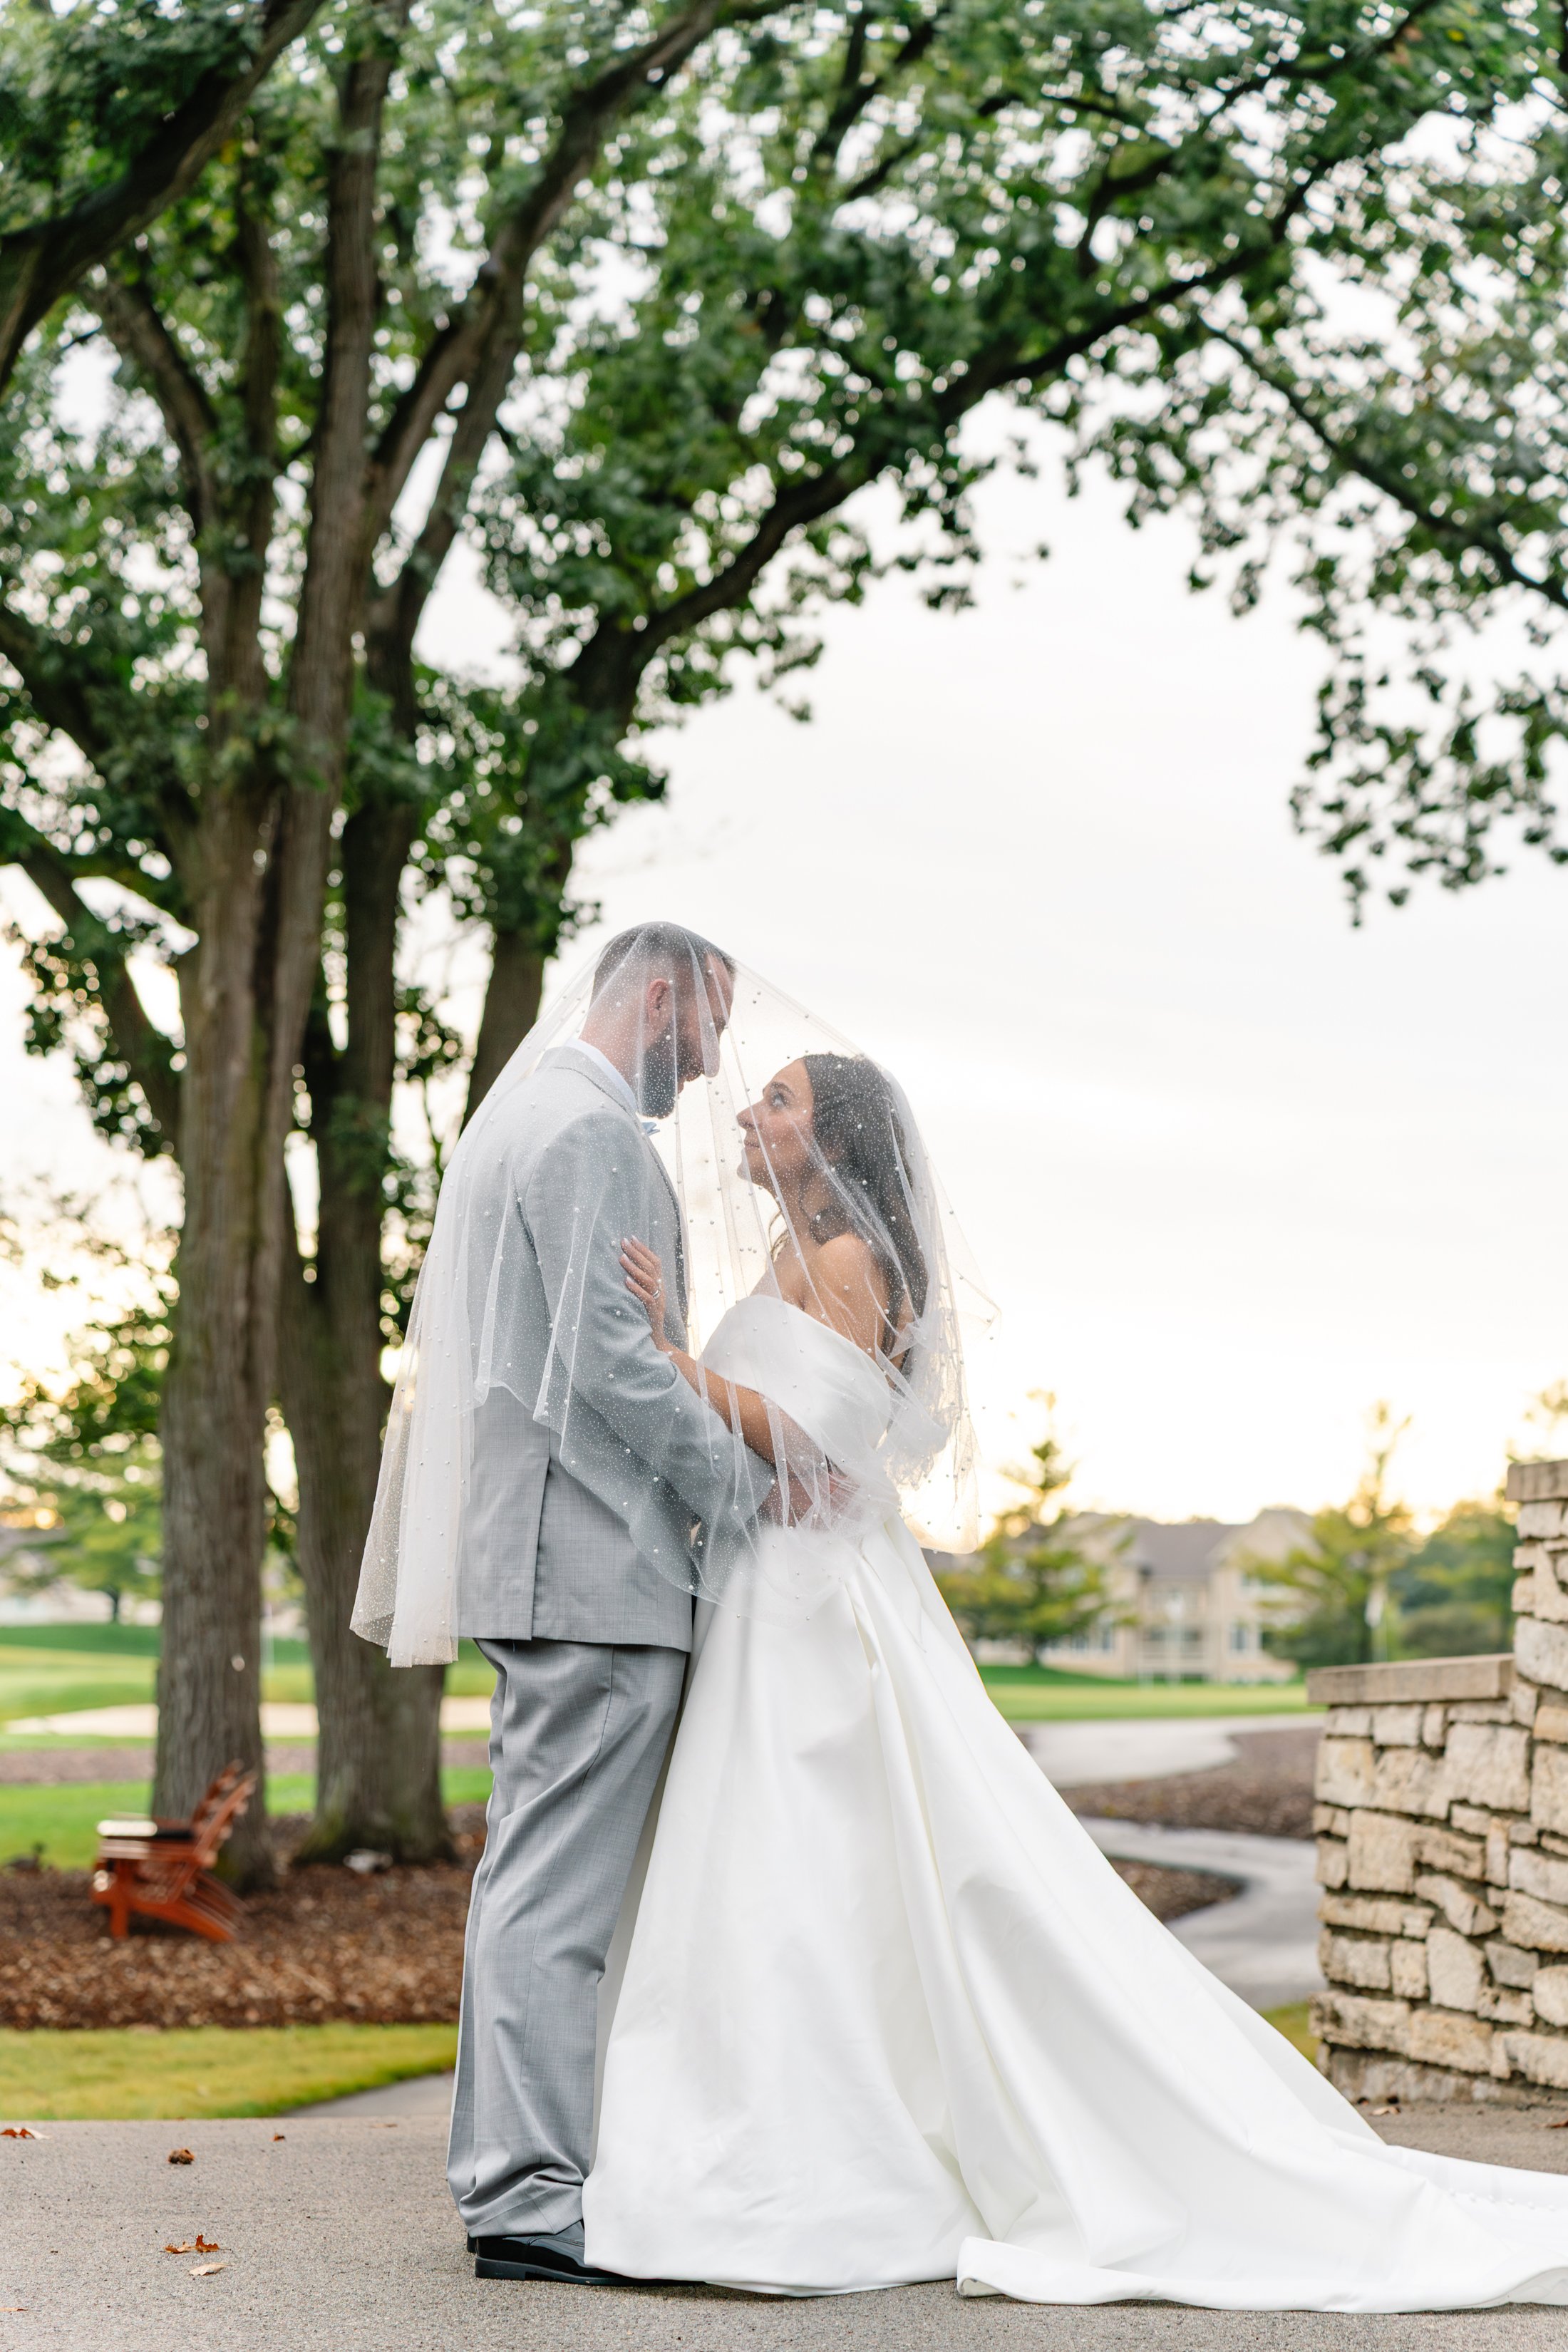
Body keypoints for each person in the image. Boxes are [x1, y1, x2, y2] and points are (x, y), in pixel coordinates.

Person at [580, 1043, 1568, 2310]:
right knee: (777, 1858)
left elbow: (811, 1437)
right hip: (766, 1586)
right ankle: (745, 2122)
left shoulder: (842, 1261)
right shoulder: (789, 1260)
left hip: (816, 1603)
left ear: (833, 1142)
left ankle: (809, 2152)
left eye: (781, 1099)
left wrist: (664, 1353)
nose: (751, 1111)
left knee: (809, 1849)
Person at [354, 920, 775, 2286]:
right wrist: (748, 1492)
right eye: (706, 1028)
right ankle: (530, 2198)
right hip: (595, 1570)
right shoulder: (590, 1136)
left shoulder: (521, 1121)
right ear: (657, 998)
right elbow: (610, 1366)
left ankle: (515, 2178)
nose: (709, 1068)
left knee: (527, 1881)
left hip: (555, 1563)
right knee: (554, 1896)